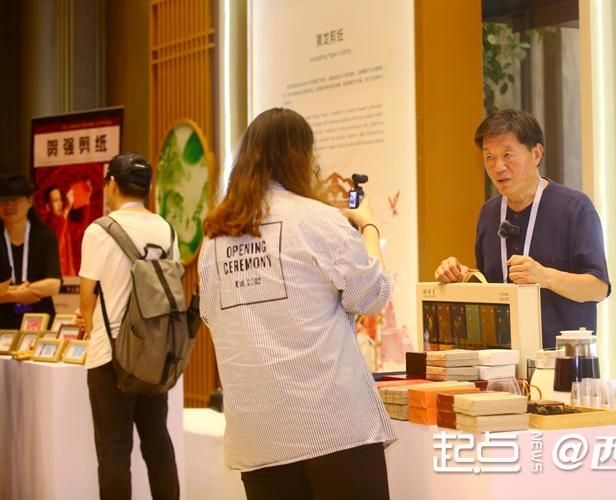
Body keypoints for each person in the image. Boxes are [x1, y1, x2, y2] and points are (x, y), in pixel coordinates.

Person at [199, 108, 395, 500]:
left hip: (259, 433)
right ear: (301, 157)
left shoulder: (215, 239)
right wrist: (368, 227)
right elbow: (372, 295)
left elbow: (210, 315)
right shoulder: (318, 219)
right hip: (332, 425)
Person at [434, 109, 610, 348]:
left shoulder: (575, 208)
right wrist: (461, 276)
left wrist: (544, 277)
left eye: (508, 155)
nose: (498, 167)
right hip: (500, 361)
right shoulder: (488, 214)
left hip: (561, 361)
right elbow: (491, 285)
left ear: (536, 154)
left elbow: (598, 288)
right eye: (489, 157)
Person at [78, 153, 179, 500]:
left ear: (111, 184)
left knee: (114, 452)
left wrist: (88, 319)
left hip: (111, 355)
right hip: (155, 355)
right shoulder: (166, 229)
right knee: (158, 445)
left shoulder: (99, 230)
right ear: (148, 187)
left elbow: (87, 299)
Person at [0, 175, 62, 329]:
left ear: (29, 201)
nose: (8, 205)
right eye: (3, 200)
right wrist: (17, 295)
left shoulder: (45, 235)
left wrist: (12, 293)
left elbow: (54, 284)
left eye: (14, 200)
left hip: (40, 320)